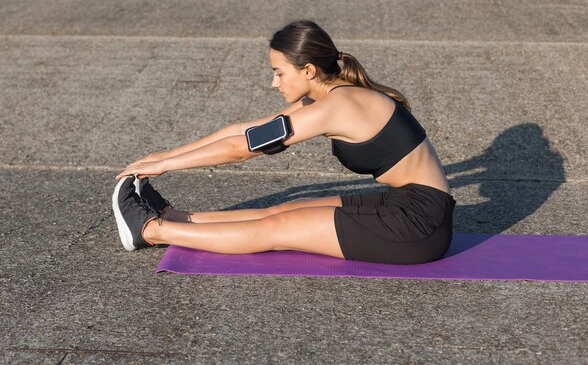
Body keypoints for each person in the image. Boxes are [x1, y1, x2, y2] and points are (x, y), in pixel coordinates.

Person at [112, 20, 455, 265]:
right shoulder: (327, 96)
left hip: (419, 226)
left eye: (279, 72)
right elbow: (244, 130)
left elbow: (242, 150)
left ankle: (151, 230)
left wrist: (165, 166)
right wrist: (167, 155)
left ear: (307, 70)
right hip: (404, 203)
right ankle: (176, 217)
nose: (274, 83)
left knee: (275, 229)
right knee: (281, 210)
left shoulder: (337, 107)